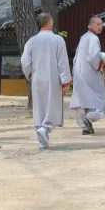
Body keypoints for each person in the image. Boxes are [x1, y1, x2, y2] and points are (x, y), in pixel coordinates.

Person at [21, 13, 71, 149]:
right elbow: (62, 62)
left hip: (37, 78)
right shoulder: (58, 40)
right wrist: (66, 80)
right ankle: (45, 128)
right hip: (52, 77)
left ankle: (42, 140)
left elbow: (25, 61)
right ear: (50, 22)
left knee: (39, 106)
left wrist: (30, 74)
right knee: (51, 104)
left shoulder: (31, 41)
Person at [69, 16, 105, 135]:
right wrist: (101, 64)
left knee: (82, 100)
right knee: (100, 99)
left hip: (79, 72)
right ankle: (89, 119)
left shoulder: (83, 37)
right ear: (90, 25)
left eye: (101, 24)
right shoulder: (93, 38)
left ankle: (85, 127)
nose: (100, 27)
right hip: (90, 73)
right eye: (97, 24)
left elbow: (76, 57)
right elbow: (93, 56)